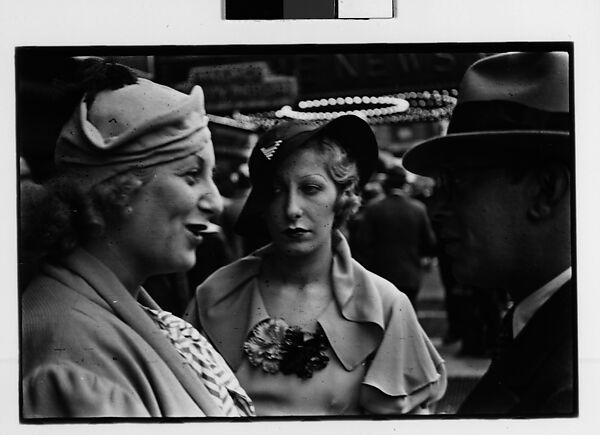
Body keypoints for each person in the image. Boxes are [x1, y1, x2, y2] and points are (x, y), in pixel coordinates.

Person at [20, 61, 254, 418]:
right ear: (118, 190)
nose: (214, 202)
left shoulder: (109, 309)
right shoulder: (74, 361)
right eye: (192, 175)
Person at [185, 115, 447, 416]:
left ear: (343, 197)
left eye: (310, 188)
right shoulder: (215, 294)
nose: (292, 209)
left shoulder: (384, 304)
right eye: (276, 191)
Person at [402, 52, 574, 416]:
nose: (436, 209)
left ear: (545, 191)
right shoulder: (542, 324)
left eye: (458, 182)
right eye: (439, 186)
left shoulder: (571, 390)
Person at [352, 165, 437, 309]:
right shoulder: (418, 209)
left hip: (380, 275)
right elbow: (429, 243)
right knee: (408, 317)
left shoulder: (374, 208)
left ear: (386, 184)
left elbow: (363, 242)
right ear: (404, 184)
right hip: (409, 275)